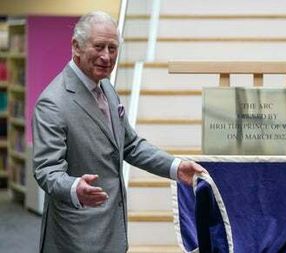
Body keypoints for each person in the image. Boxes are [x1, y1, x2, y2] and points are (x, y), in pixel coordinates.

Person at [32, 11, 206, 253]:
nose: (106, 56)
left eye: (112, 49)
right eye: (99, 47)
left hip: (112, 232)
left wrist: (176, 167)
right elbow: (47, 170)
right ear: (76, 47)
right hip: (76, 237)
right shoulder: (53, 102)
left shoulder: (106, 87)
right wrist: (75, 188)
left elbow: (131, 145)